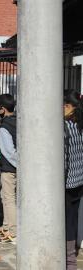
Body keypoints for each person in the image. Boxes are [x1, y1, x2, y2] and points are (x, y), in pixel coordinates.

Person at [63, 89, 83, 270]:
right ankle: (71, 261)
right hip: (78, 182)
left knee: (65, 225)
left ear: (68, 106)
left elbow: (62, 160)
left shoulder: (64, 127)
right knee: (72, 222)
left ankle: (68, 262)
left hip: (66, 184)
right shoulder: (80, 125)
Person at [0, 94, 17, 245]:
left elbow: (9, 152)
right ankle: (6, 226)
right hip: (17, 167)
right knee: (6, 197)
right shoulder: (19, 122)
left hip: (10, 168)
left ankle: (13, 231)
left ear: (2, 109)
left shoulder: (4, 128)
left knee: (8, 199)